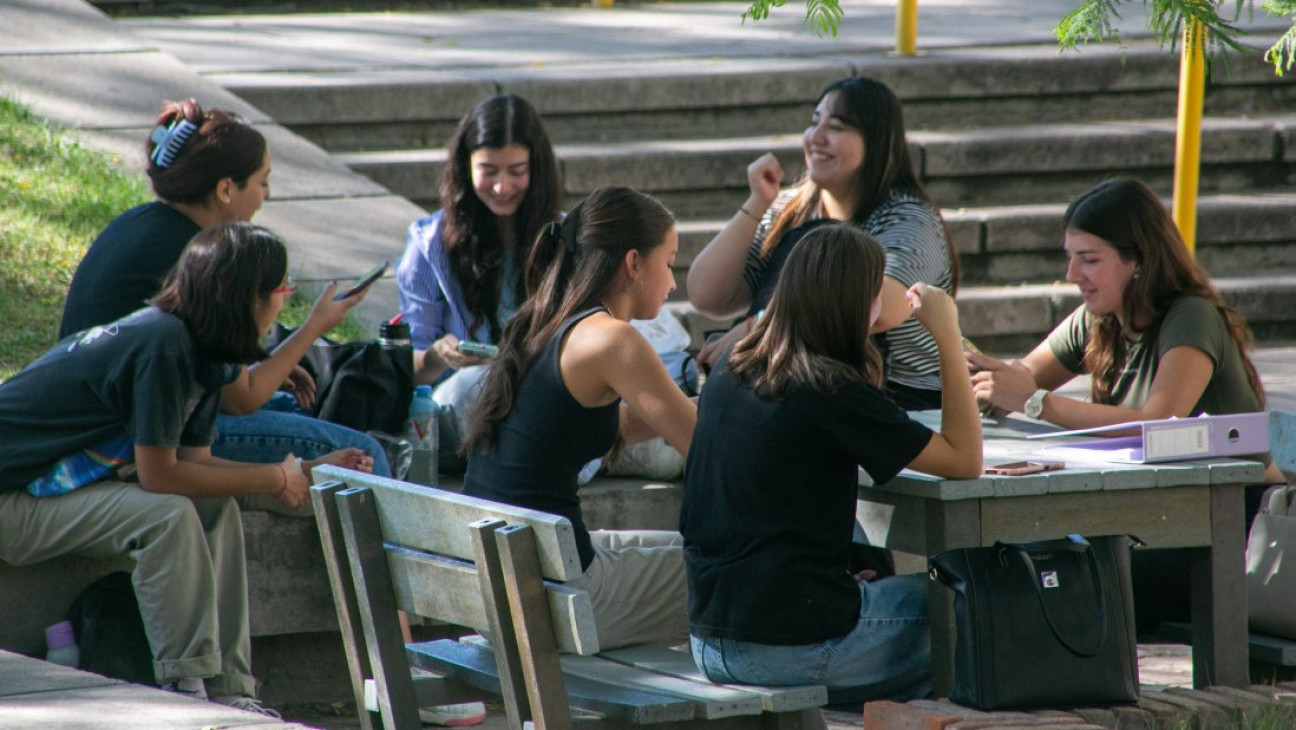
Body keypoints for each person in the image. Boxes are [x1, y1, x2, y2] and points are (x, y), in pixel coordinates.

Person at [0, 223, 373, 715]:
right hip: (11, 500)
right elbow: (160, 478)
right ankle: (185, 689)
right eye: (282, 290)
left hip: (43, 495)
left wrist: (298, 469)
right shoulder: (163, 345)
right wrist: (274, 478)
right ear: (249, 299)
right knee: (167, 516)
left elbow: (195, 466)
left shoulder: (204, 349)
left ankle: (231, 691)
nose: (283, 303)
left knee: (211, 505)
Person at [681, 223, 981, 703]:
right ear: (858, 303)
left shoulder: (732, 367)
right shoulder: (831, 388)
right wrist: (948, 335)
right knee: (970, 603)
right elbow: (965, 460)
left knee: (881, 569)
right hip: (785, 649)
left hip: (711, 640)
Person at [966, 176, 1282, 630]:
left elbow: (1157, 422)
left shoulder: (1190, 315)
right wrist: (973, 369)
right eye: (1070, 258)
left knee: (1057, 581)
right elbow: (1018, 379)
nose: (1074, 275)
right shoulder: (1098, 319)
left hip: (1236, 529)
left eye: (1089, 260)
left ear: (1138, 261)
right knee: (1019, 565)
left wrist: (1035, 403)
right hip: (1154, 519)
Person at [59, 98, 388, 481]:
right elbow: (239, 398)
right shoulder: (204, 261)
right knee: (367, 456)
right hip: (124, 436)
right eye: (262, 182)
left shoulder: (148, 223)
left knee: (302, 408)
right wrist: (314, 325)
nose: (267, 194)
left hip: (124, 414)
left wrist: (272, 361)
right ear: (227, 190)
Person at [461, 186, 697, 651]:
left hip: (504, 583)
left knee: (692, 553)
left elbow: (620, 426)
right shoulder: (613, 340)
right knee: (749, 572)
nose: (672, 283)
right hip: (556, 599)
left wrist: (690, 406)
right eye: (669, 263)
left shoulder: (545, 322)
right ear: (633, 263)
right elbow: (709, 450)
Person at [687, 76, 958, 410]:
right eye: (814, 123)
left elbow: (880, 308)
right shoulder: (789, 210)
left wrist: (758, 328)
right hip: (806, 392)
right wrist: (757, 203)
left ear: (875, 140)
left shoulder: (908, 218)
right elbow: (708, 296)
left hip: (903, 400)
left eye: (837, 127)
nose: (816, 138)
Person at [396, 93, 562, 466]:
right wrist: (439, 356)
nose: (502, 187)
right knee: (475, 389)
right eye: (488, 170)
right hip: (466, 403)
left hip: (549, 394)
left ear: (537, 169)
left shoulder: (565, 237)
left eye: (517, 171)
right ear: (465, 167)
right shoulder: (428, 244)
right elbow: (408, 367)